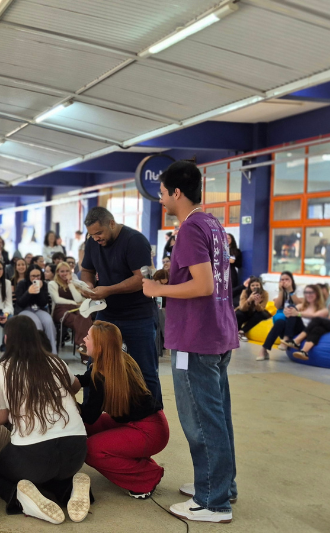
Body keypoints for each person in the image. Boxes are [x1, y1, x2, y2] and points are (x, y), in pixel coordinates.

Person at [141, 161, 238, 523]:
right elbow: (201, 276)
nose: (161, 199)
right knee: (218, 415)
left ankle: (213, 502)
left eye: (163, 192)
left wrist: (157, 288)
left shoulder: (190, 229)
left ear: (176, 192)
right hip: (218, 333)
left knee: (200, 419)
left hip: (196, 337)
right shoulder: (212, 223)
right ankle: (220, 485)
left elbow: (203, 285)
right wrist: (173, 275)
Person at [0, 316, 90, 524]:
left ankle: (23, 498)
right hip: (76, 453)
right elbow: (76, 386)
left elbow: (0, 419)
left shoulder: (3, 370)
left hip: (32, 458)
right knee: (55, 472)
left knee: (0, 474)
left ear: (7, 339)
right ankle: (68, 489)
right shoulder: (56, 361)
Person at [74, 321, 168, 499]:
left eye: (88, 337)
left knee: (91, 449)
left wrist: (65, 402)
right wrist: (64, 380)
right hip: (151, 423)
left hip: (149, 431)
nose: (84, 340)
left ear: (99, 347)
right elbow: (84, 379)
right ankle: (135, 460)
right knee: (85, 430)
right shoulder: (118, 360)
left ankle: (147, 476)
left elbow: (88, 415)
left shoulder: (101, 376)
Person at [80, 206, 161, 404]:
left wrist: (107, 289)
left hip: (138, 315)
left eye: (99, 233)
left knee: (144, 370)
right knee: (94, 367)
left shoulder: (135, 241)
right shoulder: (92, 242)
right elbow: (86, 270)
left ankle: (154, 419)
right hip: (107, 312)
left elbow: (141, 279)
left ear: (112, 223)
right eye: (92, 235)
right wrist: (88, 285)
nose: (96, 238)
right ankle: (89, 418)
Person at [259, 284, 327, 361]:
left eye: (311, 293)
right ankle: (264, 350)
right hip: (293, 330)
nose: (308, 295)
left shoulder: (323, 309)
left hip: (307, 331)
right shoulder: (301, 305)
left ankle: (286, 338)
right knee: (280, 322)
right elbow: (290, 313)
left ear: (317, 294)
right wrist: (286, 311)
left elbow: (315, 316)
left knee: (293, 310)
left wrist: (298, 313)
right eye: (306, 293)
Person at [49, 262, 92, 353]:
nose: (65, 273)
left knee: (85, 316)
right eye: (62, 271)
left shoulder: (74, 283)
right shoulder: (53, 283)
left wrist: (70, 284)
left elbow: (78, 298)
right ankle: (84, 346)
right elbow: (57, 300)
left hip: (76, 308)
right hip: (60, 309)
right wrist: (74, 303)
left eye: (67, 271)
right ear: (57, 272)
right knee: (78, 320)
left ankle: (82, 346)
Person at [14, 265, 57, 354]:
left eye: (38, 275)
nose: (36, 278)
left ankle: (53, 353)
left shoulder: (44, 284)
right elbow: (20, 303)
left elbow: (43, 303)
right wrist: (28, 292)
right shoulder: (22, 284)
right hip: (24, 310)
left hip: (38, 309)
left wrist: (40, 290)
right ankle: (38, 352)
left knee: (48, 321)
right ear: (28, 276)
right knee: (36, 323)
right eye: (33, 276)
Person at [235, 276, 270, 342]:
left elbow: (262, 308)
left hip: (256, 313)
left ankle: (242, 331)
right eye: (252, 285)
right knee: (238, 313)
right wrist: (249, 300)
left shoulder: (265, 293)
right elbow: (242, 308)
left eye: (257, 285)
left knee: (263, 314)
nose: (255, 287)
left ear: (260, 286)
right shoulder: (244, 292)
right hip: (246, 312)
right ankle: (236, 331)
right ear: (249, 286)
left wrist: (257, 304)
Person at [226, 234, 243, 306]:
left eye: (229, 238)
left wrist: (233, 261)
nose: (227, 239)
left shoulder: (236, 251)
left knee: (232, 290)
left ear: (232, 239)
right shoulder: (218, 249)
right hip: (220, 272)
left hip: (231, 272)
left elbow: (239, 264)